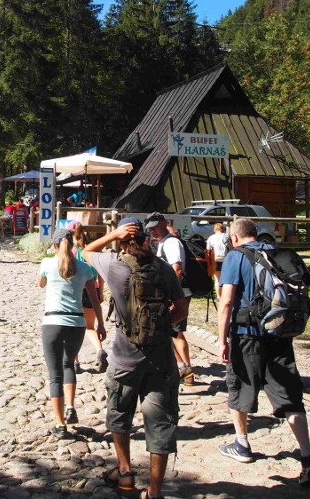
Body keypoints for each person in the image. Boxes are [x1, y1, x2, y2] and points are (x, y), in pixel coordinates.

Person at [83, 218, 188, 499]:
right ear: (146, 240)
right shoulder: (163, 268)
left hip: (124, 359)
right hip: (161, 361)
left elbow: (85, 251)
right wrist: (163, 327)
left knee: (120, 416)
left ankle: (126, 472)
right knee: (161, 425)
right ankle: (154, 491)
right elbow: (181, 308)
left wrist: (112, 234)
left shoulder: (114, 265)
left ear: (121, 241)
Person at [216, 218, 310, 485]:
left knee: (240, 385)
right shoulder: (278, 252)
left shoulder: (235, 256)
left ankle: (242, 444)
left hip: (247, 335)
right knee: (289, 393)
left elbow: (227, 300)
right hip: (279, 333)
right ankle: (308, 456)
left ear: (236, 237)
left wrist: (222, 340)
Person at [38, 227, 105, 437]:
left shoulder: (47, 264)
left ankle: (60, 424)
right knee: (69, 365)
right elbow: (95, 300)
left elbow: (41, 284)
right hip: (76, 323)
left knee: (54, 374)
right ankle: (70, 406)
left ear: (55, 245)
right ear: (73, 244)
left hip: (53, 322)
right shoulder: (85, 269)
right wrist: (101, 324)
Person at [144, 212, 195, 386]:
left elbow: (177, 270)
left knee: (174, 331)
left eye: (156, 227)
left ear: (165, 224)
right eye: (150, 229)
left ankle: (187, 371)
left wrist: (168, 295)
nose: (153, 231)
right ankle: (184, 369)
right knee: (171, 331)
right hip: (174, 294)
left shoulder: (171, 243)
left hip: (177, 294)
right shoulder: (163, 243)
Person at [67, 220, 108, 372]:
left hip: (77, 290)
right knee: (90, 326)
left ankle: (75, 362)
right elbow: (101, 273)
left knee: (73, 327)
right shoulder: (92, 250)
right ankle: (99, 350)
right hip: (94, 289)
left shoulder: (71, 250)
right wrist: (101, 291)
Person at [206, 222, 229, 300]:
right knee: (226, 279)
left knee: (217, 279)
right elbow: (231, 248)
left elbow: (208, 250)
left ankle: (219, 297)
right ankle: (225, 295)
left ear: (214, 229)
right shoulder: (226, 237)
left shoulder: (211, 238)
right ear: (222, 229)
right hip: (225, 259)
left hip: (215, 259)